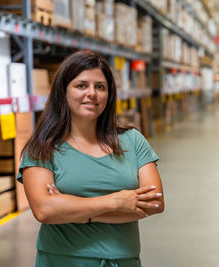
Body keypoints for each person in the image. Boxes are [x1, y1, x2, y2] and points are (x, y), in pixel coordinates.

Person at [17, 51, 164, 267]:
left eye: (100, 87)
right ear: (63, 92)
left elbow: (154, 202)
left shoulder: (132, 141)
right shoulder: (43, 146)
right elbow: (44, 209)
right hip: (63, 260)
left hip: (122, 260)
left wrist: (73, 212)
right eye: (81, 85)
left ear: (109, 94)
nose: (92, 93)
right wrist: (116, 202)